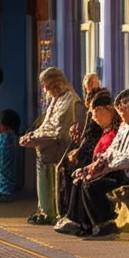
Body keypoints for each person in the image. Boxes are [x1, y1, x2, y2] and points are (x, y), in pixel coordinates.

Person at [73, 88, 129, 240]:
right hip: (122, 169)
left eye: (125, 108)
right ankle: (92, 225)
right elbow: (112, 149)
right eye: (119, 109)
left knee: (93, 185)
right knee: (82, 180)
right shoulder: (127, 124)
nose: (121, 113)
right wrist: (97, 163)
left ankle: (107, 226)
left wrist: (108, 165)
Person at [19, 67, 83, 225]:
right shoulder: (56, 98)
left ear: (57, 83)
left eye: (47, 86)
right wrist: (33, 135)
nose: (46, 90)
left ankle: (53, 210)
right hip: (47, 144)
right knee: (42, 172)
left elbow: (59, 129)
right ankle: (44, 209)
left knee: (51, 174)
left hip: (61, 146)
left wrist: (36, 137)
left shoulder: (70, 99)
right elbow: (46, 123)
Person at [55, 90, 119, 235]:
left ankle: (96, 223)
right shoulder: (107, 131)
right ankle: (77, 221)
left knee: (87, 183)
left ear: (108, 110)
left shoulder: (115, 132)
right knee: (78, 180)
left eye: (97, 111)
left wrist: (92, 169)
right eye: (92, 112)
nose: (94, 117)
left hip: (113, 172)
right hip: (102, 169)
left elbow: (111, 157)